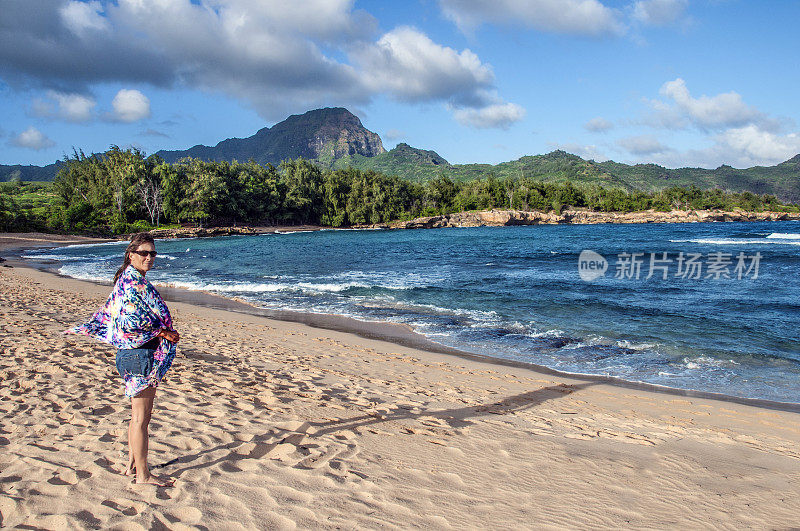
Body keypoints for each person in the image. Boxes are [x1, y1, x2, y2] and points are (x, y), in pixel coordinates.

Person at [66, 232, 180, 486]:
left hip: (129, 355)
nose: (149, 258)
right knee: (141, 418)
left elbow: (120, 317)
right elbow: (130, 322)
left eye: (153, 253)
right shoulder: (134, 284)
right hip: (139, 355)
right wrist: (162, 331)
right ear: (131, 255)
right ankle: (144, 475)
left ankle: (131, 466)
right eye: (144, 253)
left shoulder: (125, 282)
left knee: (138, 417)